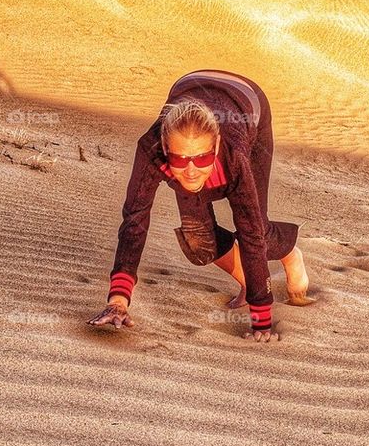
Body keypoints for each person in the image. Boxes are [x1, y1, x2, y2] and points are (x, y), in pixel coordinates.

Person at [88, 69, 313, 343]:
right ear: (164, 147)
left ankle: (289, 251)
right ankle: (246, 279)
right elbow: (134, 221)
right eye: (180, 160)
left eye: (202, 158)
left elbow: (251, 236)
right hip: (191, 84)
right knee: (198, 241)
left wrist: (261, 320)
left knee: (258, 231)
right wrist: (118, 301)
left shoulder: (234, 157)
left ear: (216, 146)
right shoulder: (151, 150)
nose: (192, 171)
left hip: (247, 101)